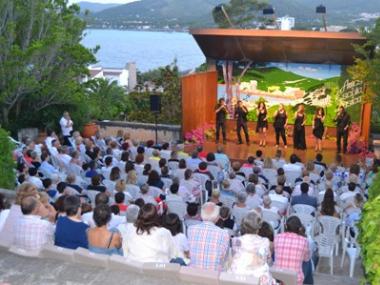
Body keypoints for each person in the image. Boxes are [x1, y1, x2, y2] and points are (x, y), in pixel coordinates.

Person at [229, 212, 274, 284]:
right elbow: (269, 262)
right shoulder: (265, 241)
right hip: (258, 279)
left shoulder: (235, 240)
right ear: (258, 227)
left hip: (238, 277)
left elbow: (234, 258)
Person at [187, 202, 229, 271]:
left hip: (194, 273)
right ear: (216, 217)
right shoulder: (224, 233)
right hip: (213, 275)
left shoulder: (191, 229)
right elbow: (222, 257)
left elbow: (190, 252)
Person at [274, 216, 310, 285]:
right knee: (307, 262)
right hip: (295, 280)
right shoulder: (304, 241)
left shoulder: (277, 237)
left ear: (285, 226)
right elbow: (306, 259)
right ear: (299, 228)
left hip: (277, 277)